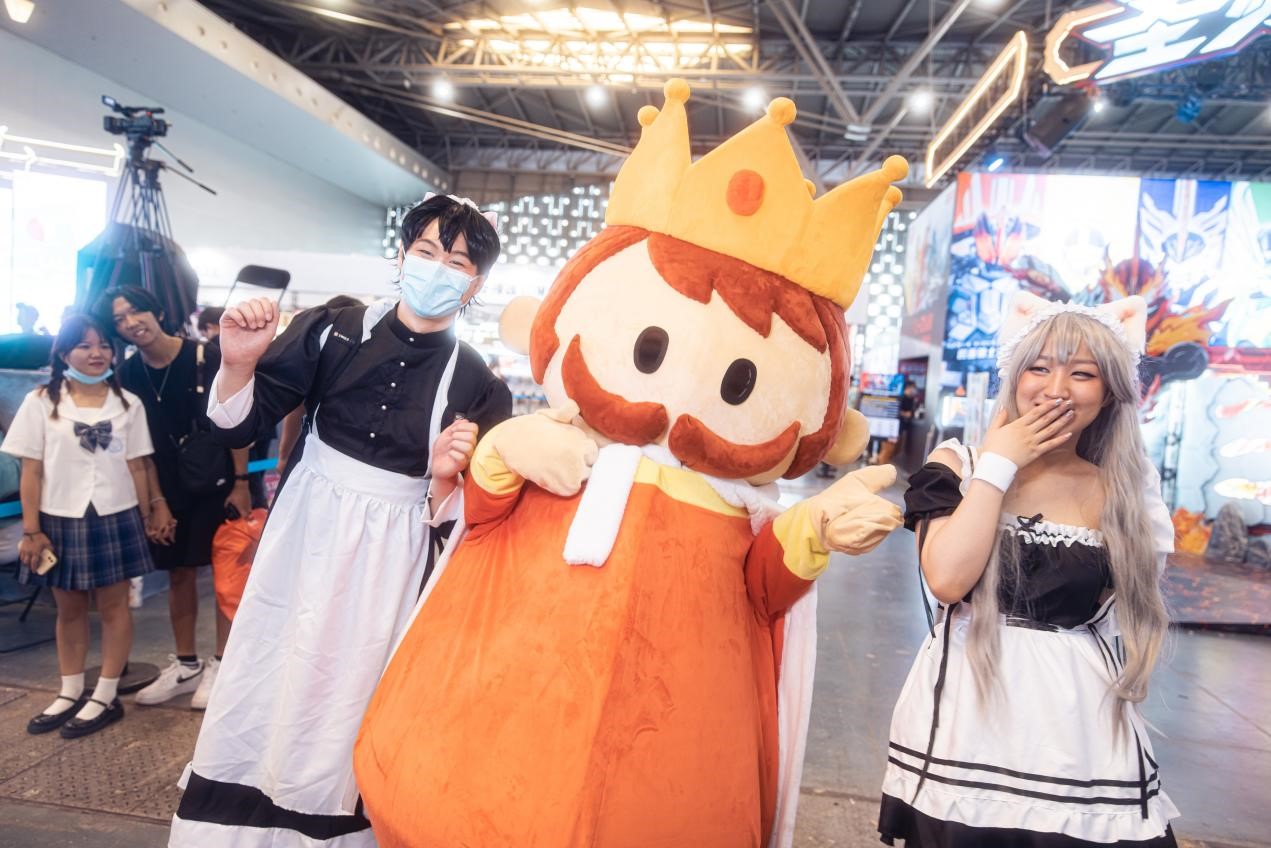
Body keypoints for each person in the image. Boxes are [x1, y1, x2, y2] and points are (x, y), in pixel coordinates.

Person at [169, 194, 513, 848]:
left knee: (351, 693)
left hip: (393, 556)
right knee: (270, 670)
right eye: (427, 251)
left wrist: (446, 480)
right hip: (307, 530)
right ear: (402, 256)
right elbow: (239, 424)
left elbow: (479, 519)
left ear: (476, 286)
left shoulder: (478, 383)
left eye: (458, 262)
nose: (438, 268)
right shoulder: (334, 330)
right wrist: (238, 363)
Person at [878, 295, 1179, 846]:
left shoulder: (1123, 492)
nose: (1056, 388)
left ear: (1108, 392)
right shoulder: (958, 466)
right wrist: (998, 463)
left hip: (1080, 738)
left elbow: (1115, 616)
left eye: (1082, 373)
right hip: (964, 728)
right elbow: (947, 580)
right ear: (1014, 377)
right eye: (1038, 368)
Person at [2, 314, 155, 738]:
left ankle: (105, 695)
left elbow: (138, 466)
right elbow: (31, 471)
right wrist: (31, 530)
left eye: (103, 345)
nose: (96, 353)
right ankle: (70, 690)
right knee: (68, 609)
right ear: (64, 353)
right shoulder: (40, 401)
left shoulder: (128, 403)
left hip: (116, 515)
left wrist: (147, 515)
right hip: (59, 517)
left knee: (114, 608)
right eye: (84, 345)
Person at [99, 286, 250, 711]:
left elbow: (237, 419)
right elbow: (139, 448)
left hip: (219, 481)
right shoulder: (127, 374)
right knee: (178, 574)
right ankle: (186, 665)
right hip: (167, 486)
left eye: (136, 311)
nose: (131, 323)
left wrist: (241, 481)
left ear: (158, 311)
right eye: (120, 320)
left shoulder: (205, 355)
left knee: (225, 574)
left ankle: (221, 663)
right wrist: (155, 503)